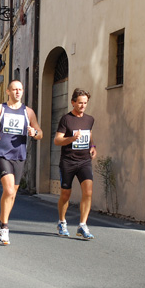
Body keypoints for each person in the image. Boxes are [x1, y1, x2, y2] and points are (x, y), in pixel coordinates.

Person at [0, 80, 43, 245]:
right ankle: (4, 227)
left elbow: (40, 133)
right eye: (14, 89)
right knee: (8, 190)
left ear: (23, 91)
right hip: (2, 153)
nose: (17, 92)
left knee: (12, 194)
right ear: (8, 92)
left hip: (19, 155)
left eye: (20, 89)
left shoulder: (28, 112)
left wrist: (34, 132)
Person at [54, 88, 97, 240]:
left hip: (84, 160)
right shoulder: (66, 119)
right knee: (66, 194)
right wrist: (72, 139)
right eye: (79, 103)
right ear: (73, 102)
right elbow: (57, 140)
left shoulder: (89, 119)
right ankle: (62, 221)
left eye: (85, 103)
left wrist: (92, 146)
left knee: (88, 192)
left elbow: (89, 134)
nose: (82, 106)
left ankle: (82, 225)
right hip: (68, 161)